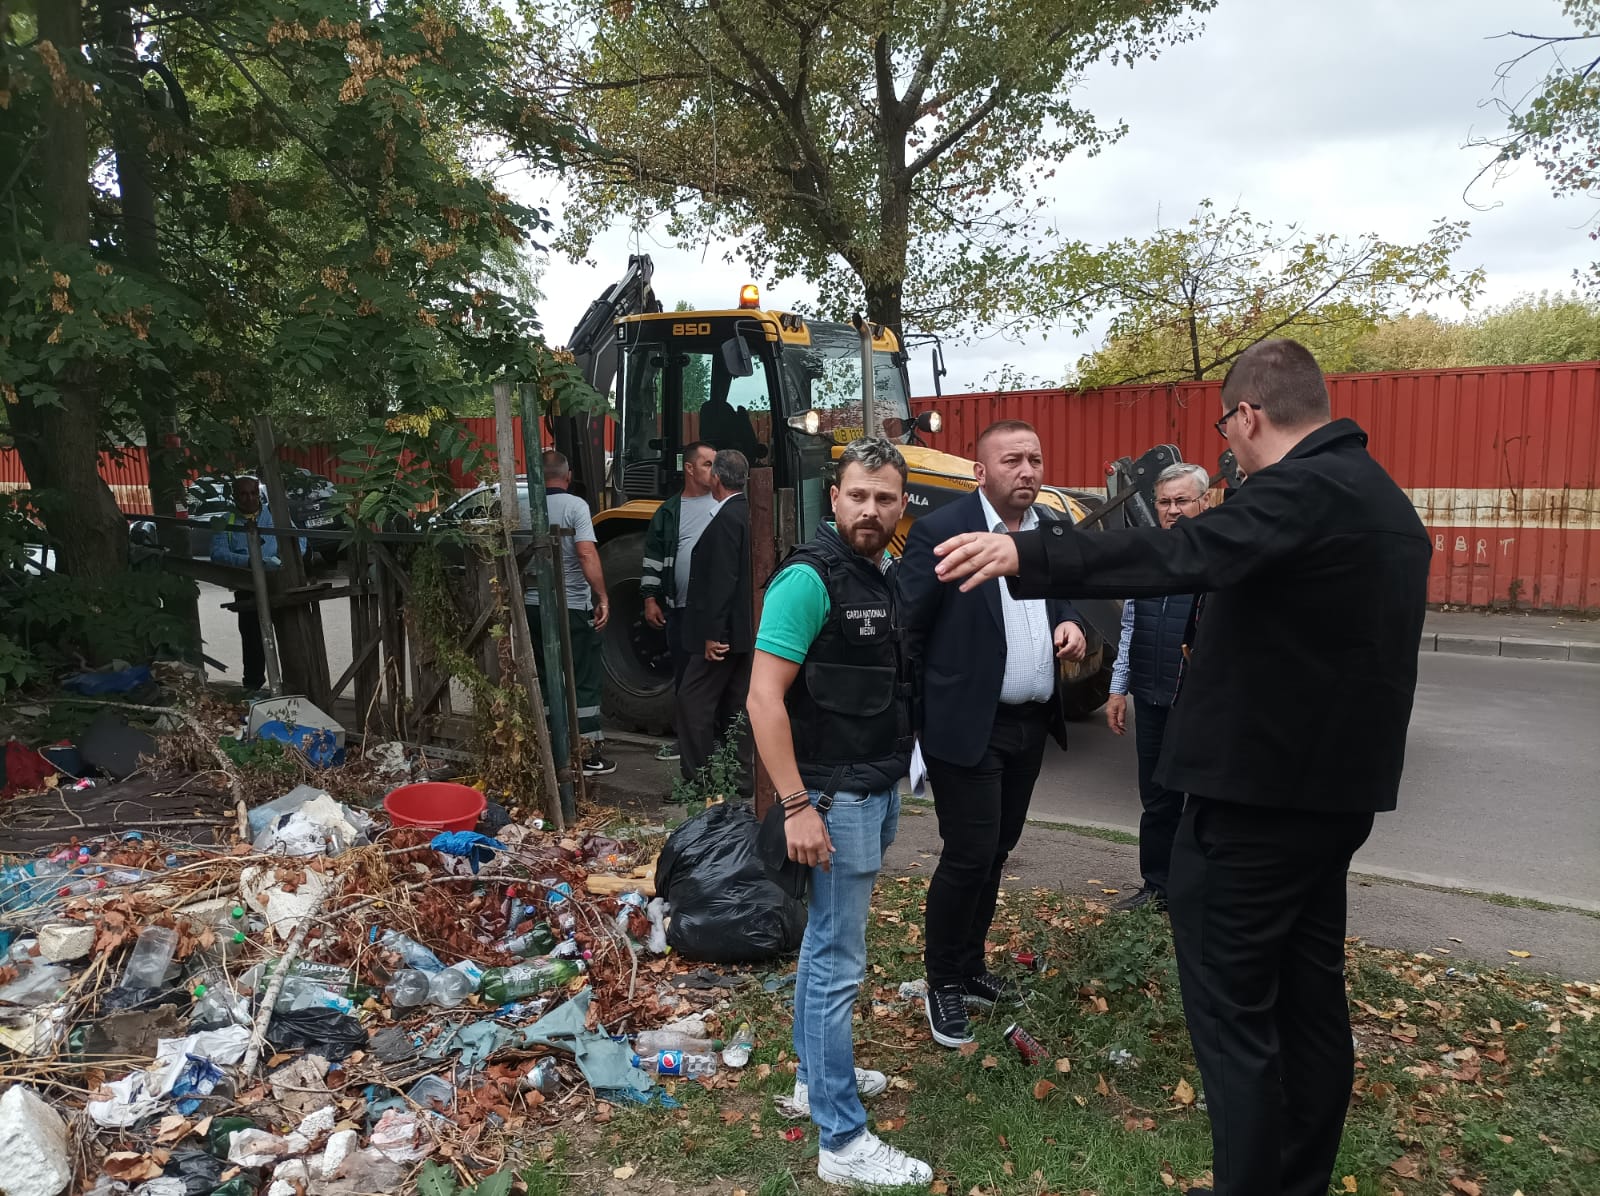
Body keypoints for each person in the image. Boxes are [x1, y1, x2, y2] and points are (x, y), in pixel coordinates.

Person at [931, 339, 1432, 1196]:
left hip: (1254, 807)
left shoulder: (1298, 490)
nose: (1227, 445)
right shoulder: (1382, 499)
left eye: (1226, 427)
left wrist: (1033, 555)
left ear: (1248, 415)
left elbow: (1181, 553)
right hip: (1332, 804)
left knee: (1236, 1018)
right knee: (1309, 1003)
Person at [746, 437, 931, 1190]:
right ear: (834, 498)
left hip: (874, 788)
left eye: (885, 498)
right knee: (836, 963)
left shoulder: (878, 571)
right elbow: (763, 699)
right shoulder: (807, 579)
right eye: (858, 495)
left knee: (827, 949)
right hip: (830, 797)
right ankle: (842, 1140)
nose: (870, 509)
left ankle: (810, 1079)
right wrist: (796, 805)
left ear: (901, 505)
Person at [897, 419, 1088, 1048]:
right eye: (1012, 460)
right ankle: (942, 983)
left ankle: (971, 966)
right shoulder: (940, 530)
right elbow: (910, 628)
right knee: (968, 855)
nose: (1028, 471)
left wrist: (1070, 621)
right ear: (980, 471)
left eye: (1035, 459)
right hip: (967, 726)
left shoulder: (1049, 529)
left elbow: (1065, 593)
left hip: (1030, 724)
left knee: (998, 851)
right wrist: (916, 723)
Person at [1104, 461, 1210, 912]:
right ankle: (1157, 887)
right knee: (1156, 798)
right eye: (1164, 502)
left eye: (1182, 500)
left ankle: (1198, 892)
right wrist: (1118, 689)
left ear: (1204, 502)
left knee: (1201, 802)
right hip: (1149, 696)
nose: (1172, 510)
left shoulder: (1214, 560)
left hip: (1197, 705)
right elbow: (1130, 626)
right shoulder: (1148, 558)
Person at [526, 451, 613, 776]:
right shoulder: (575, 506)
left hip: (531, 605)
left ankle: (550, 746)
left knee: (544, 674)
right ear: (568, 475)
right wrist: (602, 595)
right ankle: (586, 753)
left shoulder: (524, 506)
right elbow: (586, 553)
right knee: (582, 676)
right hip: (571, 606)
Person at [674, 449, 753, 796]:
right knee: (737, 703)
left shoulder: (725, 519)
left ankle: (699, 780)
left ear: (717, 478)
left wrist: (712, 634)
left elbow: (722, 580)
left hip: (722, 635)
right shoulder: (749, 512)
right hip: (744, 631)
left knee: (692, 701)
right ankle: (741, 779)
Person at [640, 441, 719, 763]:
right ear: (689, 468)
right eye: (707, 464)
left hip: (716, 611)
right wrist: (650, 599)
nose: (714, 470)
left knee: (718, 678)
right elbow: (653, 558)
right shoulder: (670, 511)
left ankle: (719, 741)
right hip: (680, 610)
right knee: (685, 677)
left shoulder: (725, 503)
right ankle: (686, 742)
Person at [210, 476, 300, 695]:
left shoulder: (275, 516)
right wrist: (249, 561)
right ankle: (252, 687)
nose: (249, 498)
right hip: (247, 587)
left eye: (253, 493)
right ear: (234, 496)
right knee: (252, 639)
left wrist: (286, 561)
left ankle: (293, 686)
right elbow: (217, 554)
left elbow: (299, 541)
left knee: (290, 636)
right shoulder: (227, 520)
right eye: (243, 494)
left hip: (278, 583)